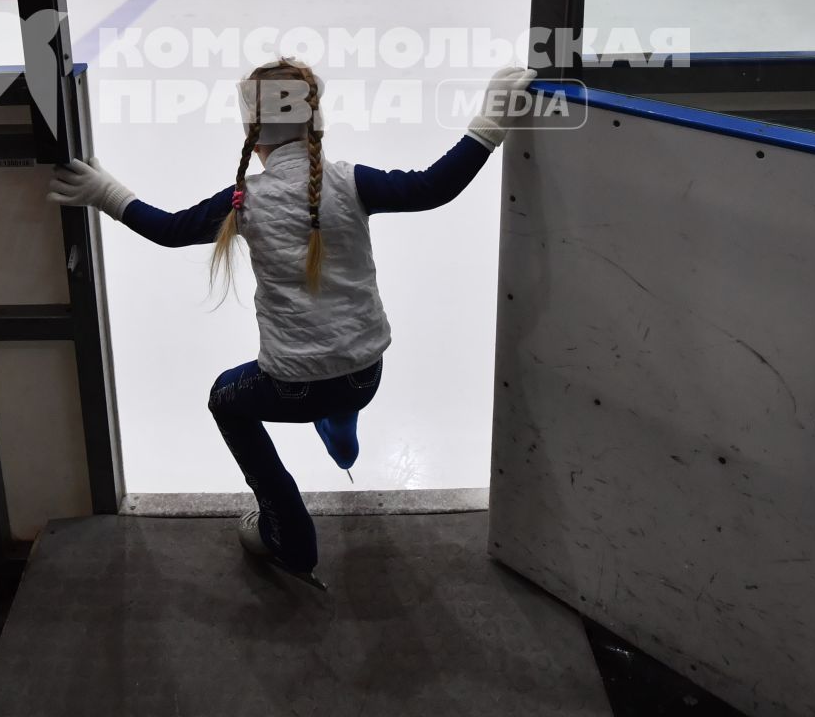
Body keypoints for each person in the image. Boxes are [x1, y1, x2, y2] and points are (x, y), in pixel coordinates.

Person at [46, 60, 535, 588]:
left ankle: (290, 535)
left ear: (252, 136)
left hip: (290, 389)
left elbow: (168, 229)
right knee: (340, 374)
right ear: (315, 120)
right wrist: (490, 124)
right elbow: (431, 187)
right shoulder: (352, 182)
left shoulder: (245, 201)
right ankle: (343, 435)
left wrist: (105, 193)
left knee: (224, 400)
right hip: (363, 377)